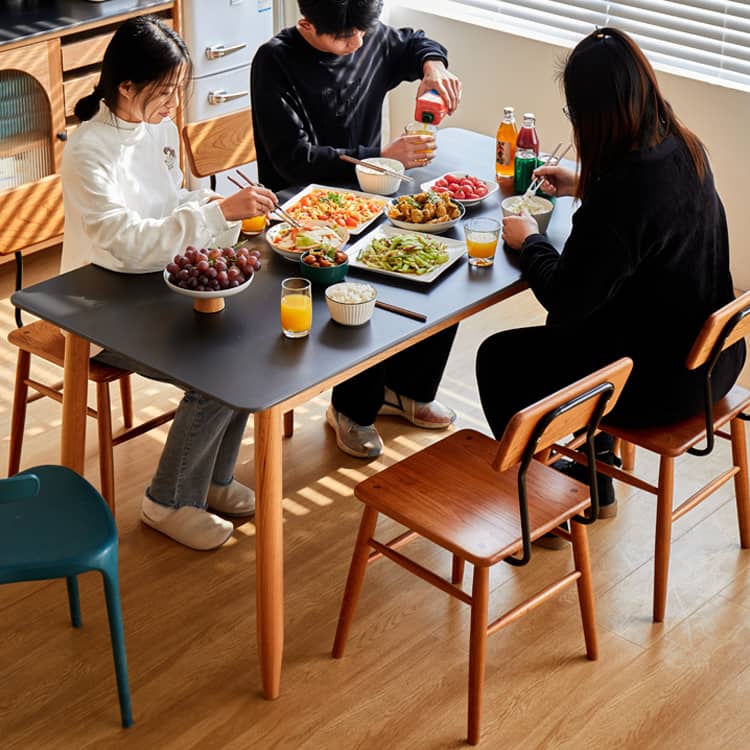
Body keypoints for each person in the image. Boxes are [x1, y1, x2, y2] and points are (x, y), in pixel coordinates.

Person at [477, 27, 746, 524]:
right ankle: (590, 477)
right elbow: (646, 223)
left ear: (594, 115)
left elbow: (567, 295)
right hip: (717, 362)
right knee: (577, 337)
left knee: (500, 359)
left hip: (663, 385)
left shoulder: (626, 192)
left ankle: (545, 504)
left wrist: (527, 240)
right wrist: (584, 182)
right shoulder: (683, 148)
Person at [61, 16, 279, 551]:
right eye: (164, 92)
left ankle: (212, 480)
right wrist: (214, 213)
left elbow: (172, 201)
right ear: (125, 86)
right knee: (214, 371)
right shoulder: (87, 151)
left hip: (157, 284)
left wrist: (216, 208)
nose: (174, 105)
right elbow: (126, 241)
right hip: (99, 300)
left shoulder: (153, 127)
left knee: (245, 348)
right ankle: (168, 499)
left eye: (179, 90)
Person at [251, 0, 463, 458]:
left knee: (448, 261)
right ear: (306, 23)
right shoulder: (275, 60)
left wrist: (432, 66)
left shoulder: (365, 35)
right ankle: (352, 409)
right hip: (300, 215)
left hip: (370, 201)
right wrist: (380, 154)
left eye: (362, 34)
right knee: (367, 282)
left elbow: (413, 42)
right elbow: (293, 159)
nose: (357, 45)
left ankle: (407, 390)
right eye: (345, 39)